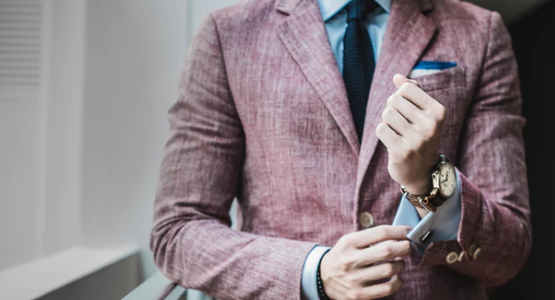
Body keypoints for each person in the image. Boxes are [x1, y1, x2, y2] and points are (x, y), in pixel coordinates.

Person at [150, 0, 531, 299]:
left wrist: (430, 182)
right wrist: (315, 271)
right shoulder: (229, 33)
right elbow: (178, 232)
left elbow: (509, 254)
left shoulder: (479, 32)